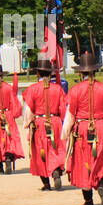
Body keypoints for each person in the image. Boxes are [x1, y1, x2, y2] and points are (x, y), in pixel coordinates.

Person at [61, 51, 103, 205]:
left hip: (82, 129)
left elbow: (70, 115)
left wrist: (65, 134)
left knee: (83, 162)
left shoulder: (75, 90)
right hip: (101, 127)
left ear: (81, 72)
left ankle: (88, 200)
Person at [20, 57, 68, 190]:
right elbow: (63, 109)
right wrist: (65, 125)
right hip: (56, 122)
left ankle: (46, 183)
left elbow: (28, 110)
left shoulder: (33, 89)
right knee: (56, 148)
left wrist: (27, 124)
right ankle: (56, 170)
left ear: (38, 73)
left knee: (40, 152)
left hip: (40, 123)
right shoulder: (58, 89)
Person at [0, 62, 25, 174]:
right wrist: (12, 115)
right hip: (7, 115)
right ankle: (8, 157)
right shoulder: (8, 87)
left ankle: (0, 167)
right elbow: (15, 104)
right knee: (9, 138)